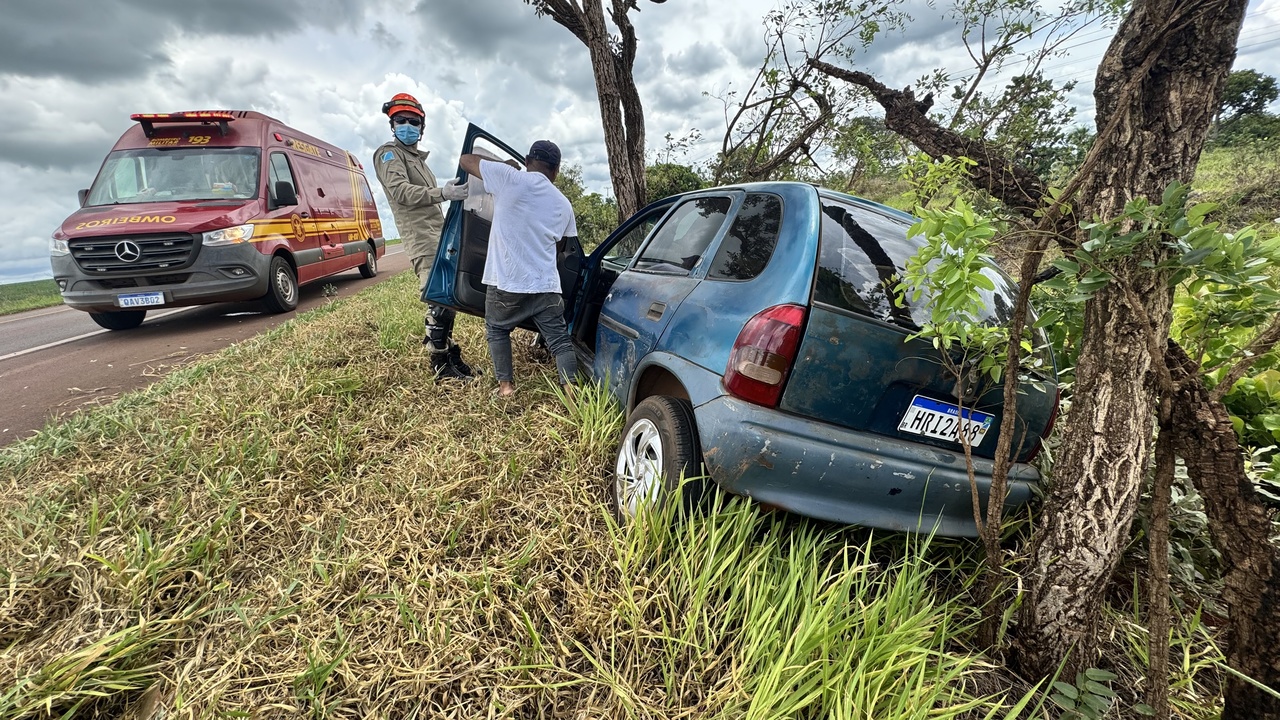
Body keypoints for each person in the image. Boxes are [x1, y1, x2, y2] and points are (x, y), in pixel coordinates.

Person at [458, 141, 578, 397]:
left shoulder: (508, 178)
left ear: (527, 161)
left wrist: (503, 165)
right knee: (559, 342)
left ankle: (506, 388)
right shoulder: (564, 204)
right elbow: (561, 249)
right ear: (556, 170)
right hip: (545, 285)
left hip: (506, 283)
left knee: (497, 329)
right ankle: (571, 392)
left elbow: (465, 160)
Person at [372, 92, 473, 381]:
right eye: (400, 121)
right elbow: (401, 192)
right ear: (392, 125)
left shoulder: (419, 160)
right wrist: (443, 192)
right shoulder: (388, 154)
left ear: (421, 126)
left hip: (437, 235)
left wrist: (448, 191)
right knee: (438, 299)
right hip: (420, 239)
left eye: (412, 121)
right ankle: (440, 365)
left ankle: (449, 353)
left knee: (447, 298)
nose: (407, 125)